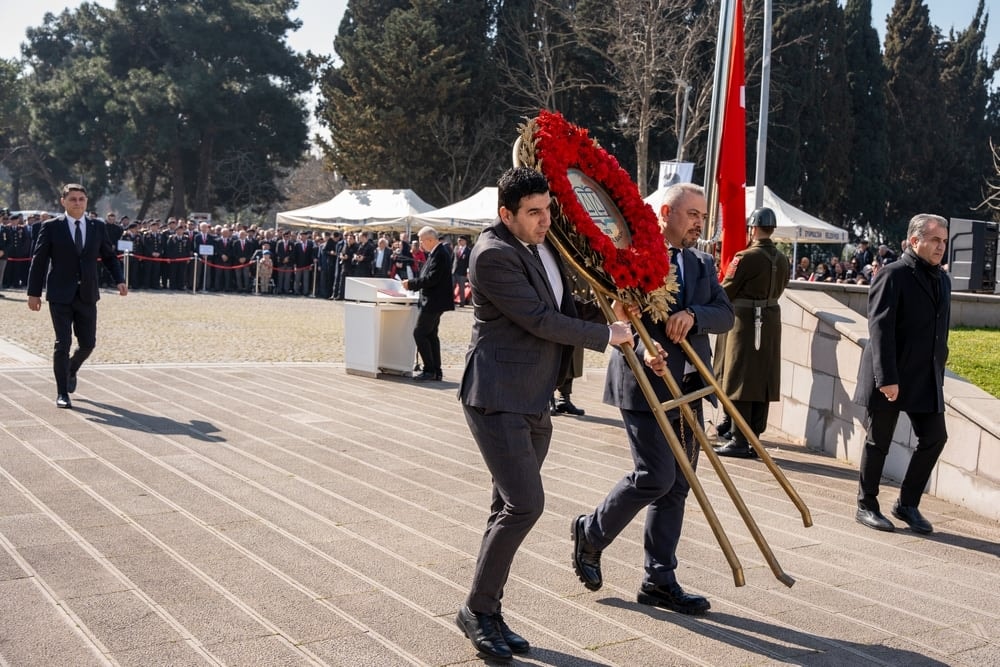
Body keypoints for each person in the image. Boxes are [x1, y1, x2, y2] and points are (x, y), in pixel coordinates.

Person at [455, 167, 632, 661]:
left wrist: (609, 312)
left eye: (548, 209)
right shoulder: (493, 254)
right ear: (505, 214)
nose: (545, 220)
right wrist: (607, 337)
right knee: (524, 505)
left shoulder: (545, 246)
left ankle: (486, 609)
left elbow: (564, 305)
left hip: (534, 397)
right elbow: (537, 318)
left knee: (504, 509)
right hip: (496, 396)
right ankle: (476, 610)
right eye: (533, 212)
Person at [571, 182, 733, 616]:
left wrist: (693, 314)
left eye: (703, 215)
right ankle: (592, 531)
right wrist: (644, 347)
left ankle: (658, 579)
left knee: (678, 486)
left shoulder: (702, 263)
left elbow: (726, 314)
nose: (700, 222)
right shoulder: (633, 254)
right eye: (693, 214)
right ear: (665, 212)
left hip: (690, 389)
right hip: (643, 382)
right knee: (655, 476)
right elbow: (614, 312)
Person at [853, 214, 951, 534]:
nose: (941, 246)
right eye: (935, 240)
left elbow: (940, 331)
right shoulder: (892, 275)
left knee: (936, 437)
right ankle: (866, 504)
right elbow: (879, 329)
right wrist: (887, 378)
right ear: (914, 240)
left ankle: (907, 504)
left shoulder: (943, 279)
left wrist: (938, 371)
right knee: (878, 440)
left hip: (924, 375)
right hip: (892, 372)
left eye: (944, 241)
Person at [26, 184, 127, 409]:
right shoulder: (51, 227)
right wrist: (34, 293)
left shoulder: (97, 227)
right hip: (60, 294)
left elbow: (109, 257)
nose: (77, 203)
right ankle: (62, 392)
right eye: (73, 199)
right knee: (62, 343)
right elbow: (39, 260)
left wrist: (119, 278)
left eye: (81, 199)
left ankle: (71, 368)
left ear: (86, 201)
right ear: (63, 201)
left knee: (88, 344)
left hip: (87, 293)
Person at [713, 207, 790, 458]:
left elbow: (726, 290)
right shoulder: (782, 258)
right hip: (770, 322)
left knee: (739, 378)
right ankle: (753, 436)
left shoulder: (745, 257)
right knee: (761, 380)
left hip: (744, 323)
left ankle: (738, 438)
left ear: (753, 228)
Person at [401, 226, 454, 382]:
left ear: (430, 240)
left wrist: (411, 284)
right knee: (430, 335)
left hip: (433, 301)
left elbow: (432, 279)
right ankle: (436, 371)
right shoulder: (436, 253)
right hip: (433, 300)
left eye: (421, 240)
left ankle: (430, 369)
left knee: (420, 333)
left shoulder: (440, 254)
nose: (420, 244)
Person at [452, 235, 471, 306]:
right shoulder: (456, 248)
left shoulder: (468, 251)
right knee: (452, 287)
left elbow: (469, 262)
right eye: (458, 240)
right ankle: (451, 301)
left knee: (461, 288)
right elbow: (452, 259)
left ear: (464, 241)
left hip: (462, 272)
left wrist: (468, 271)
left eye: (460, 240)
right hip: (454, 271)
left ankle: (462, 302)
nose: (459, 242)